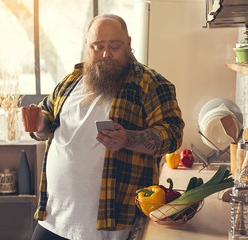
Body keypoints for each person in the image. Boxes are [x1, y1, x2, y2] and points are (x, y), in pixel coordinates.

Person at [29, 13, 184, 240]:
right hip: (53, 218)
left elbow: (173, 133)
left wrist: (129, 139)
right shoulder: (71, 81)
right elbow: (46, 121)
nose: (105, 54)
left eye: (114, 46)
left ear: (129, 44)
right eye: (97, 46)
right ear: (87, 46)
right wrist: (38, 123)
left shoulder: (151, 84)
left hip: (111, 225)